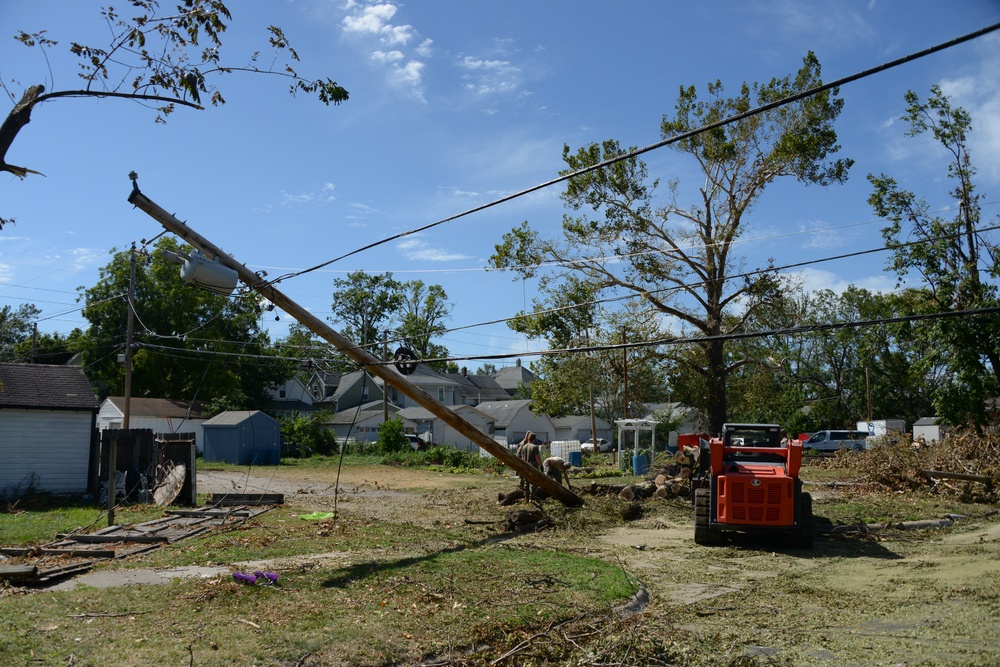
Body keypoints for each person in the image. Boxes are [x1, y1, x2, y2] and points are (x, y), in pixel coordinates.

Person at [516, 432, 542, 499]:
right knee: (533, 483)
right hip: (533, 467)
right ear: (534, 439)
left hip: (525, 466)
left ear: (528, 438)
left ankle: (526, 497)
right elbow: (537, 457)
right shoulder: (534, 447)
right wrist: (541, 466)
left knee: (526, 483)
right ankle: (532, 498)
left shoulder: (523, 447)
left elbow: (521, 457)